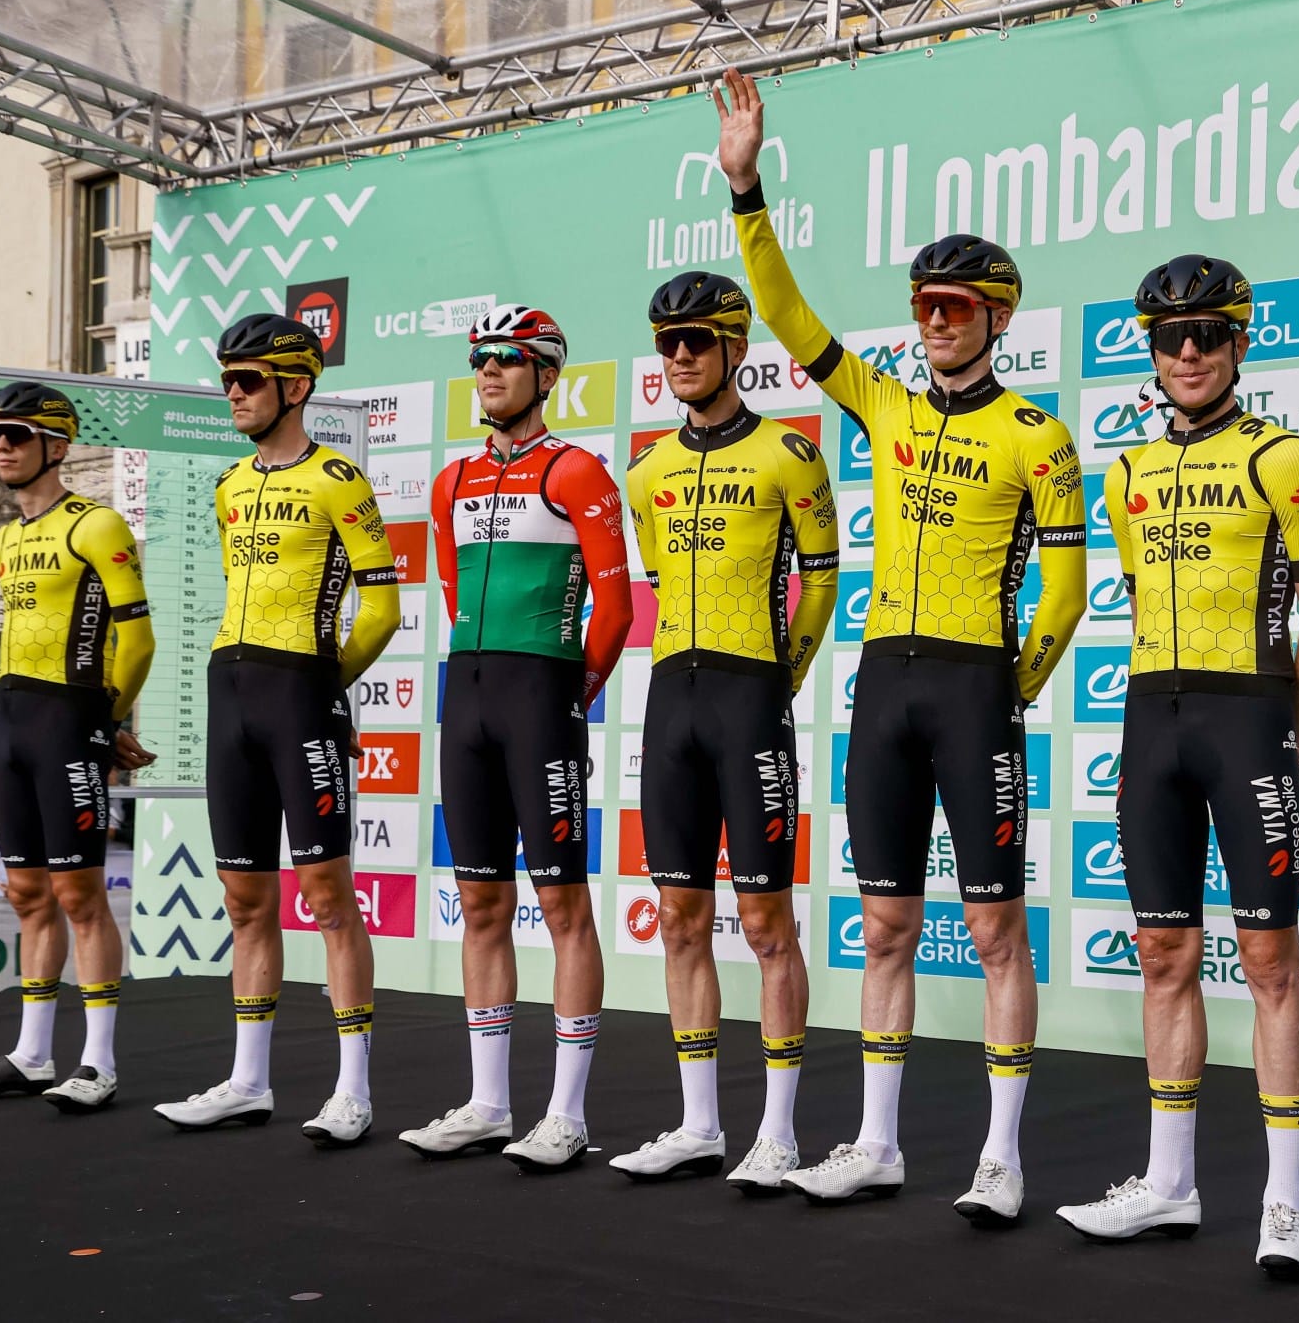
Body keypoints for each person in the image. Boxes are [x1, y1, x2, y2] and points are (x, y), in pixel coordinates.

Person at [716, 67, 1087, 1223]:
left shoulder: (1040, 436)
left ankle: (1001, 1159)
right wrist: (745, 190)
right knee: (881, 922)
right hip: (884, 683)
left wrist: (1007, 685)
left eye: (954, 308)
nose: (933, 322)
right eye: (923, 304)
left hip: (973, 683)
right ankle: (873, 1142)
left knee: (989, 929)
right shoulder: (879, 402)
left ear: (996, 318)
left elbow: (1067, 593)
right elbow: (782, 317)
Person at [1053, 256, 1299, 1278]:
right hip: (1150, 722)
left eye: (1208, 335)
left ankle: (1282, 1204)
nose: (1188, 352)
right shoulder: (1125, 473)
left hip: (1246, 717)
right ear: (1149, 349)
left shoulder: (1286, 457)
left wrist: (1285, 726)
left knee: (1268, 962)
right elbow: (1137, 603)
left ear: (1238, 344)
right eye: (1170, 337)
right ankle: (1168, 1185)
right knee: (1161, 956)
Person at [608, 272, 839, 1191]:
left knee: (767, 921)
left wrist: (783, 680)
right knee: (677, 916)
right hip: (673, 699)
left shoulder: (790, 452)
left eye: (698, 340)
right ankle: (701, 1122)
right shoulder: (647, 470)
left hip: (751, 697)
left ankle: (777, 1133)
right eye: (667, 342)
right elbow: (657, 577)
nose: (680, 357)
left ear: (737, 347)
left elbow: (820, 581)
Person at [153, 314, 400, 1146]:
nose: (233, 393)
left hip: (301, 689)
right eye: (227, 379)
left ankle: (353, 1090)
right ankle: (248, 1079)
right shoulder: (228, 486)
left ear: (296, 387)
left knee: (329, 898)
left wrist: (327, 683)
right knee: (243, 898)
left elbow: (384, 604)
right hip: (233, 688)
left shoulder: (340, 478)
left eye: (248, 380)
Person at [398, 305, 632, 1168]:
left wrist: (573, 691)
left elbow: (615, 609)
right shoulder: (449, 480)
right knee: (483, 903)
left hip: (542, 693)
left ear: (546, 374)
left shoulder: (578, 473)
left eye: (508, 359)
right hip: (470, 693)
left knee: (564, 904)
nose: (488, 372)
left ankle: (566, 1113)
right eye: (480, 360)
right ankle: (488, 1101)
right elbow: (457, 596)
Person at [0, 383, 156, 1112]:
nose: (1, 445)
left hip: (69, 718)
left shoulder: (97, 525)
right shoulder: (2, 538)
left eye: (17, 434)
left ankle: (98, 1062)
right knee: (27, 892)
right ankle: (31, 1054)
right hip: (12, 717)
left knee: (79, 895)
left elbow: (138, 636)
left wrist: (106, 718)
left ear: (56, 446)